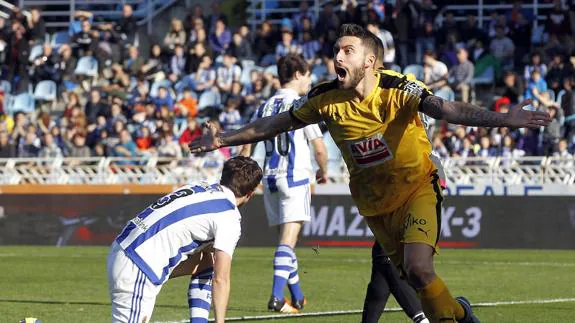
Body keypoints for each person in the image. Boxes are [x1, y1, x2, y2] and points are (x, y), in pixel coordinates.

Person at [189, 24, 551, 322]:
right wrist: (224, 137)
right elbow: (277, 123)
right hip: (375, 206)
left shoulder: (398, 87)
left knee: (418, 267)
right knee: (412, 277)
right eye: (336, 51)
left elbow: (446, 108)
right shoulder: (325, 98)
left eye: (347, 50)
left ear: (370, 60)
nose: (337, 57)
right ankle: (461, 314)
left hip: (417, 188)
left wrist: (504, 119)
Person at [107, 156, 263, 323]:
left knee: (205, 262)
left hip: (124, 247)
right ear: (250, 193)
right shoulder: (229, 218)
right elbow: (221, 278)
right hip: (138, 265)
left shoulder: (198, 185)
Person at [240, 54, 328, 313]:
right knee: (287, 242)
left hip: (270, 179)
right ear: (299, 74)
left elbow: (248, 146)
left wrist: (242, 182)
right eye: (309, 76)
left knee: (284, 242)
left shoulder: (263, 107)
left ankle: (297, 297)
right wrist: (323, 171)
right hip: (295, 176)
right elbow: (320, 148)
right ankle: (277, 298)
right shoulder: (301, 104)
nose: (309, 81)